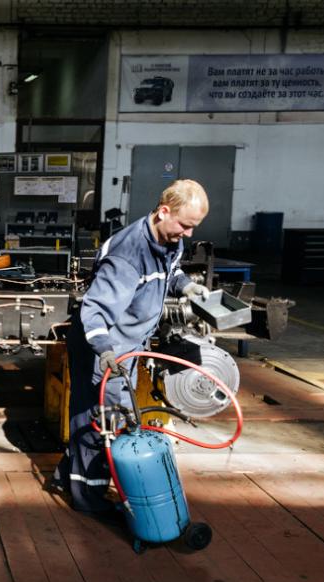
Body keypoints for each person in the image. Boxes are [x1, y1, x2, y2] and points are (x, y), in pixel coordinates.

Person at [54, 179, 211, 516]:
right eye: (184, 225)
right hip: (104, 347)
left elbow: (171, 270)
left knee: (107, 415)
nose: (187, 233)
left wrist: (186, 287)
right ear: (164, 211)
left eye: (192, 227)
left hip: (129, 344)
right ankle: (89, 499)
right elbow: (95, 309)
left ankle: (66, 477)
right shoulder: (129, 254)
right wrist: (105, 351)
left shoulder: (168, 239)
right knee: (102, 421)